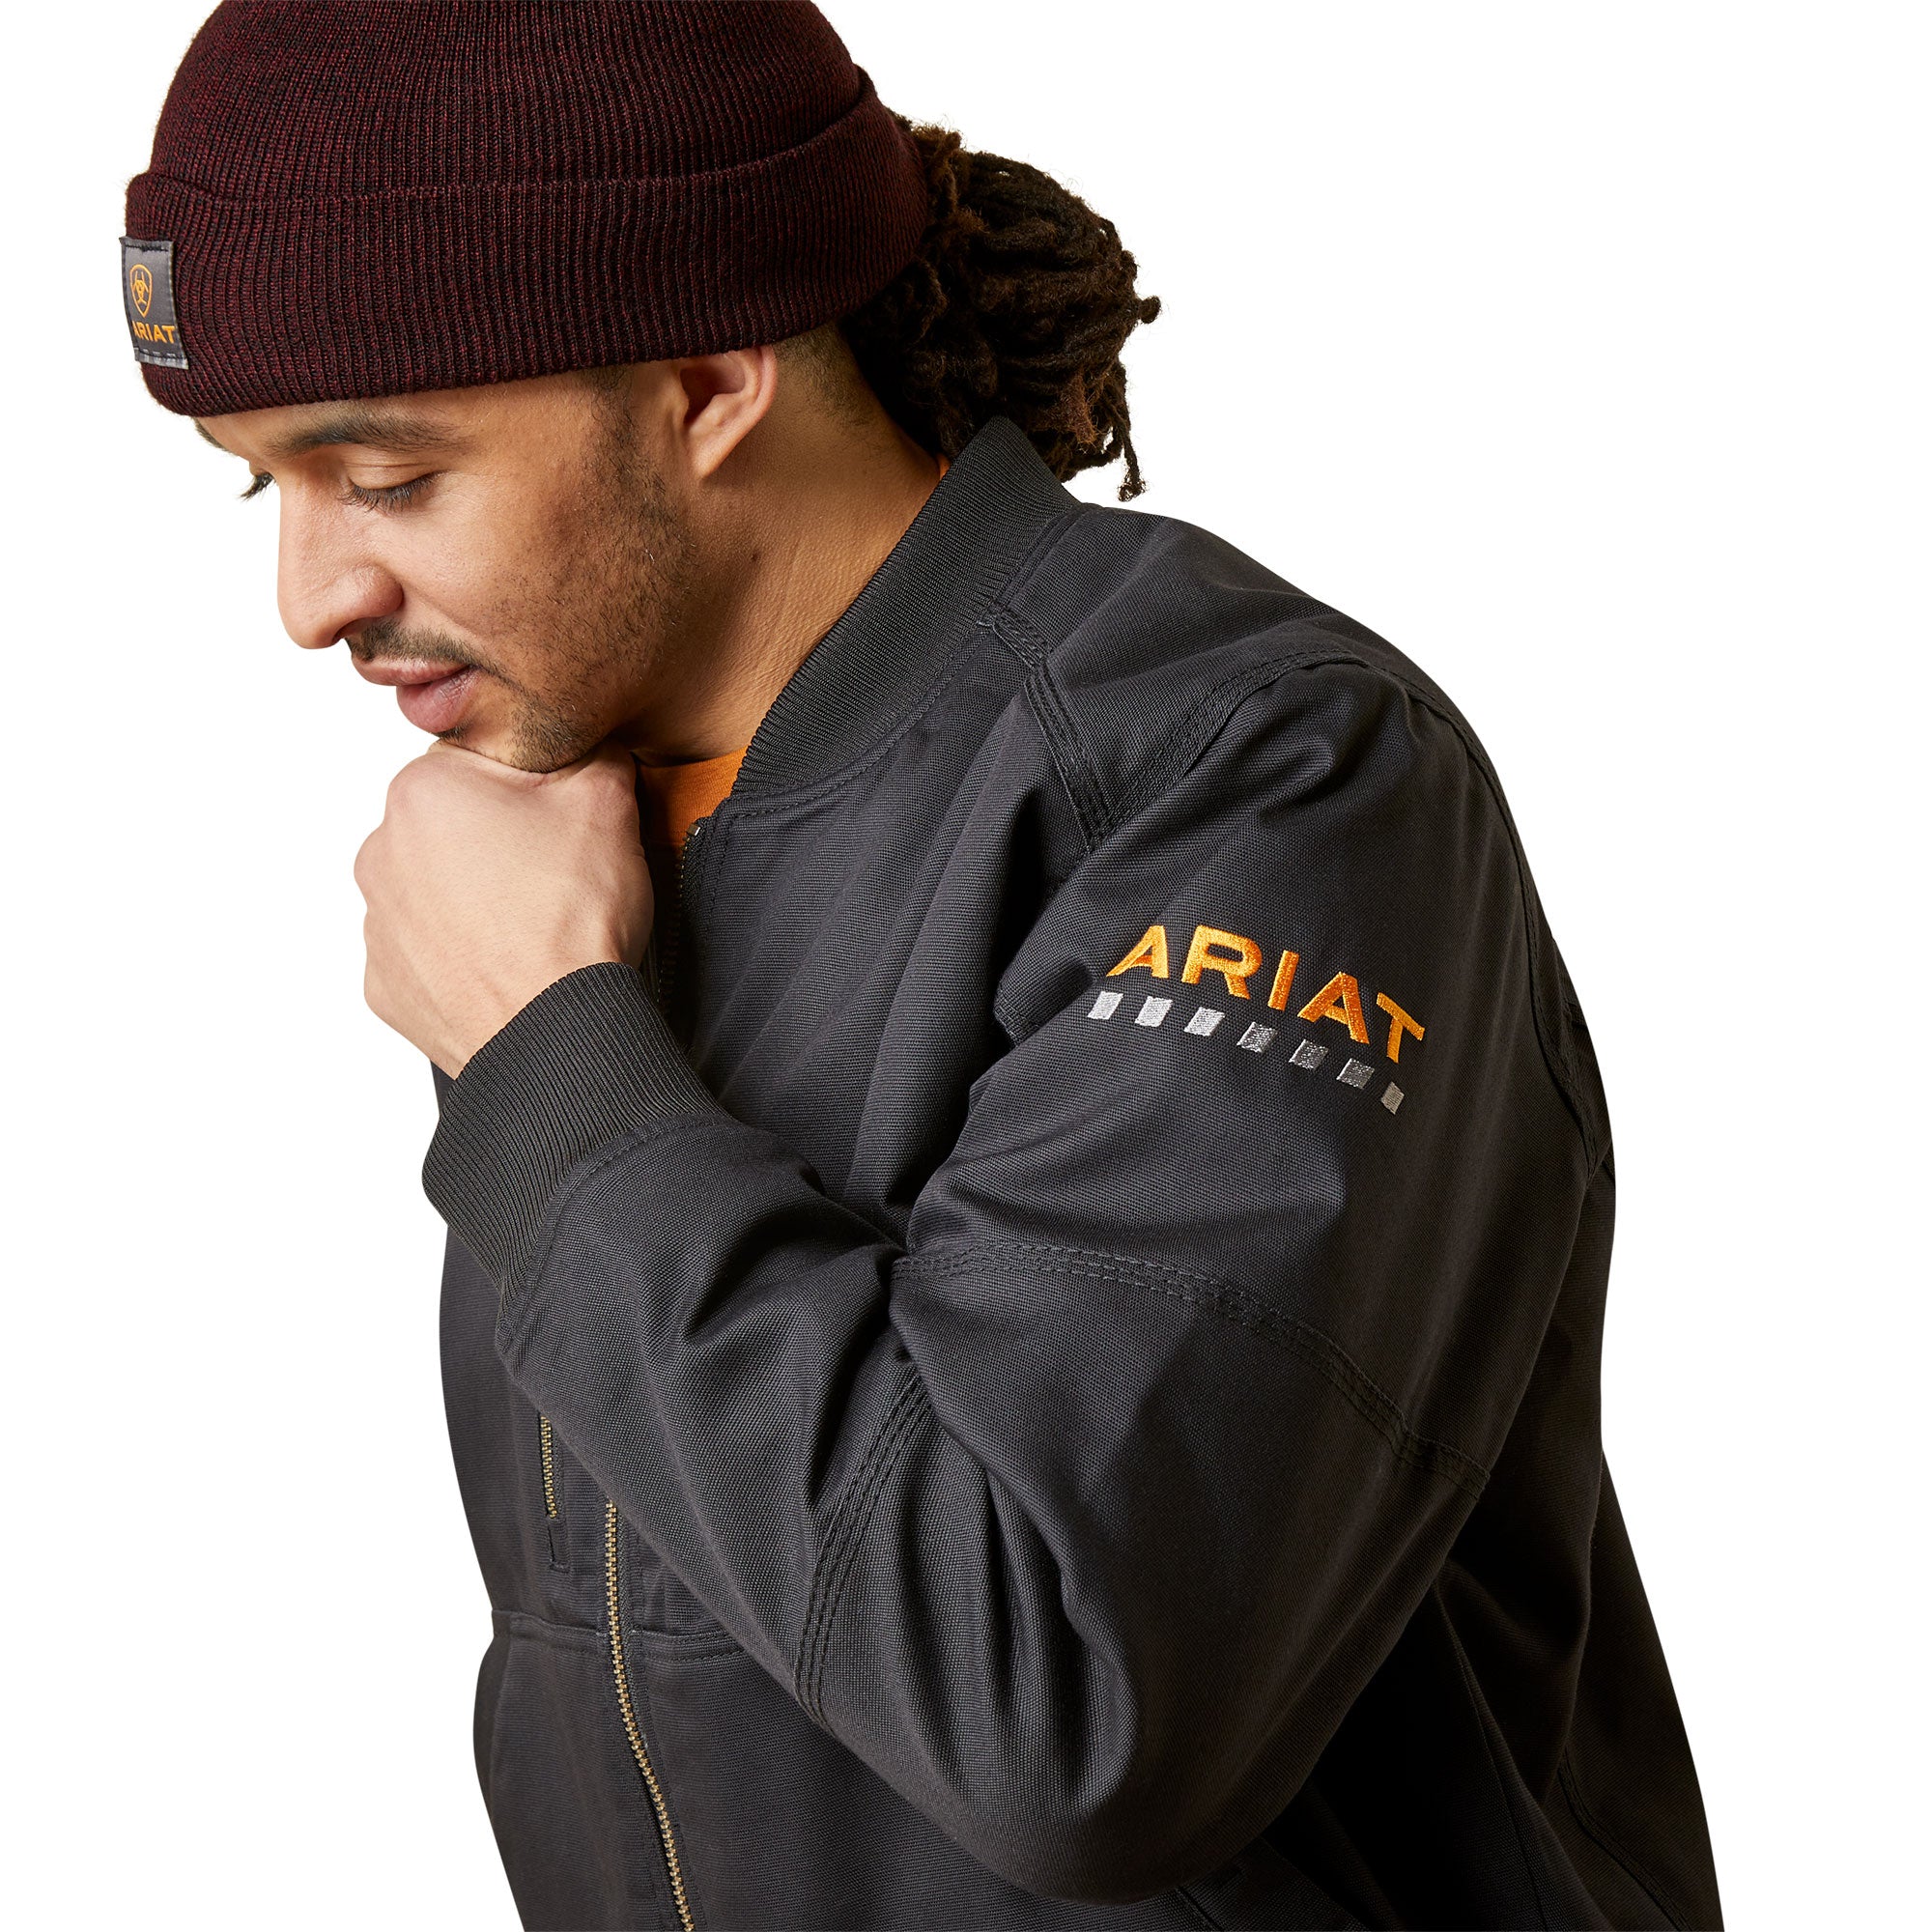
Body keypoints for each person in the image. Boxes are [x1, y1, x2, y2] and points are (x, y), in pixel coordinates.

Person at [124, 5, 1722, 1928]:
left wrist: (555, 1066)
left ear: (707, 380)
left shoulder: (1261, 779)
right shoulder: (578, 852)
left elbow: (1070, 1714)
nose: (309, 601)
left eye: (385, 476)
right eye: (262, 484)